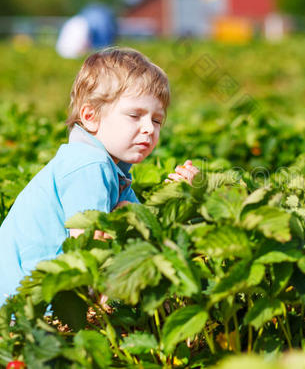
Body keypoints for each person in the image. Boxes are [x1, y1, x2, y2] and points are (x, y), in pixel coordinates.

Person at [0, 48, 199, 305]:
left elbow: (144, 231)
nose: (149, 128)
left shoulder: (114, 169)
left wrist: (180, 198)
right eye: (135, 115)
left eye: (157, 120)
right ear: (90, 116)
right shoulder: (88, 165)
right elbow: (90, 253)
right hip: (25, 309)